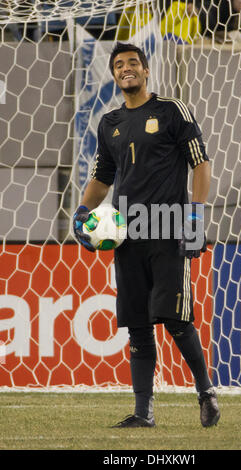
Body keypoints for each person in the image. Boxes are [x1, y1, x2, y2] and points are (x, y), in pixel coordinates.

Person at [73, 42, 220, 428]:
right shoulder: (110, 123)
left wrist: (195, 217)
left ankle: (206, 393)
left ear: (146, 70)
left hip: (170, 230)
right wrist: (81, 213)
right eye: (119, 65)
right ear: (115, 74)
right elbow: (102, 178)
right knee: (137, 323)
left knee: (175, 319)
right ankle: (143, 412)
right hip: (126, 235)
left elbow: (200, 165)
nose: (127, 69)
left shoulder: (172, 110)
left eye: (133, 63)